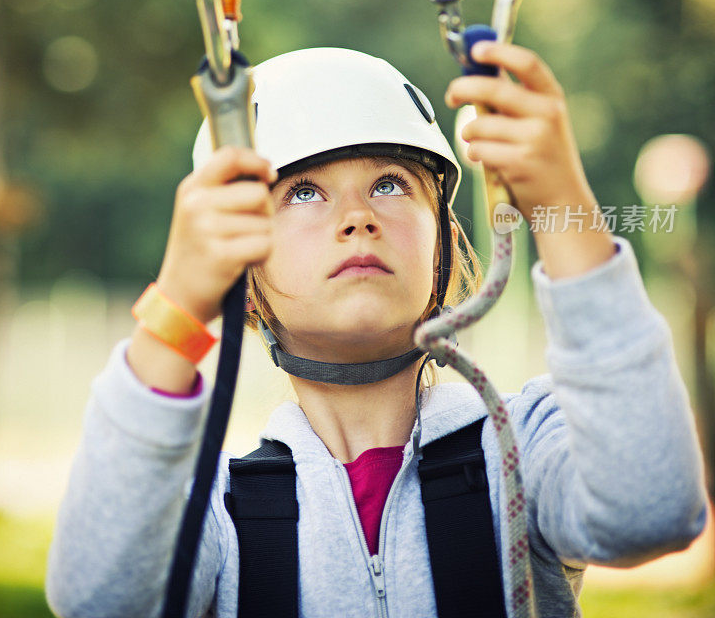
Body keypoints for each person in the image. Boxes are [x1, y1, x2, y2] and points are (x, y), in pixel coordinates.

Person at [46, 43, 707, 618]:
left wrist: (563, 200)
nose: (357, 216)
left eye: (390, 184)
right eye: (304, 192)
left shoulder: (524, 451)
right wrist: (178, 305)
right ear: (241, 273)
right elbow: (102, 599)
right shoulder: (212, 512)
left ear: (445, 247)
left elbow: (650, 512)